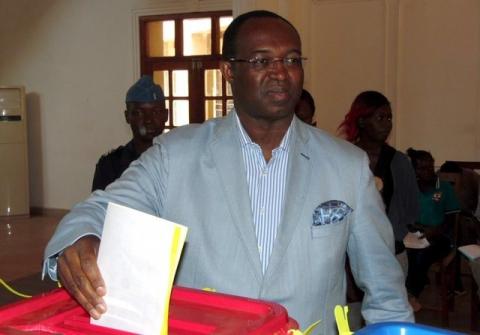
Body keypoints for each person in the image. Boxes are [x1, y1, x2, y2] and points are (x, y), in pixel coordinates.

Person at [43, 10, 413, 334]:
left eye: (292, 60)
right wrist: (78, 240)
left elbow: (385, 287)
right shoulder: (176, 156)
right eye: (261, 61)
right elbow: (97, 210)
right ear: (228, 71)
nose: (280, 73)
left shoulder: (346, 165)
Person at [338, 91, 420, 272]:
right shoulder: (344, 157)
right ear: (362, 121)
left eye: (389, 118)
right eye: (380, 118)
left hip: (391, 250)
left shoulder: (399, 162)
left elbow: (411, 208)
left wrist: (396, 229)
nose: (387, 124)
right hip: (349, 252)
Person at [405, 148, 461, 311]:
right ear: (414, 170)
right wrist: (415, 227)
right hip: (417, 234)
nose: (428, 171)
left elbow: (452, 219)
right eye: (422, 168)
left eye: (431, 167)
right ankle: (404, 293)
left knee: (423, 254)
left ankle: (411, 294)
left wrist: (435, 231)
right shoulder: (410, 188)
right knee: (404, 252)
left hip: (441, 236)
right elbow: (406, 216)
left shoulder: (444, 188)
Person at [91, 75, 168, 191]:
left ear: (166, 115)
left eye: (156, 112)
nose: (148, 120)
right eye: (139, 113)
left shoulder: (177, 160)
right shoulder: (110, 166)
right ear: (127, 117)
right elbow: (100, 207)